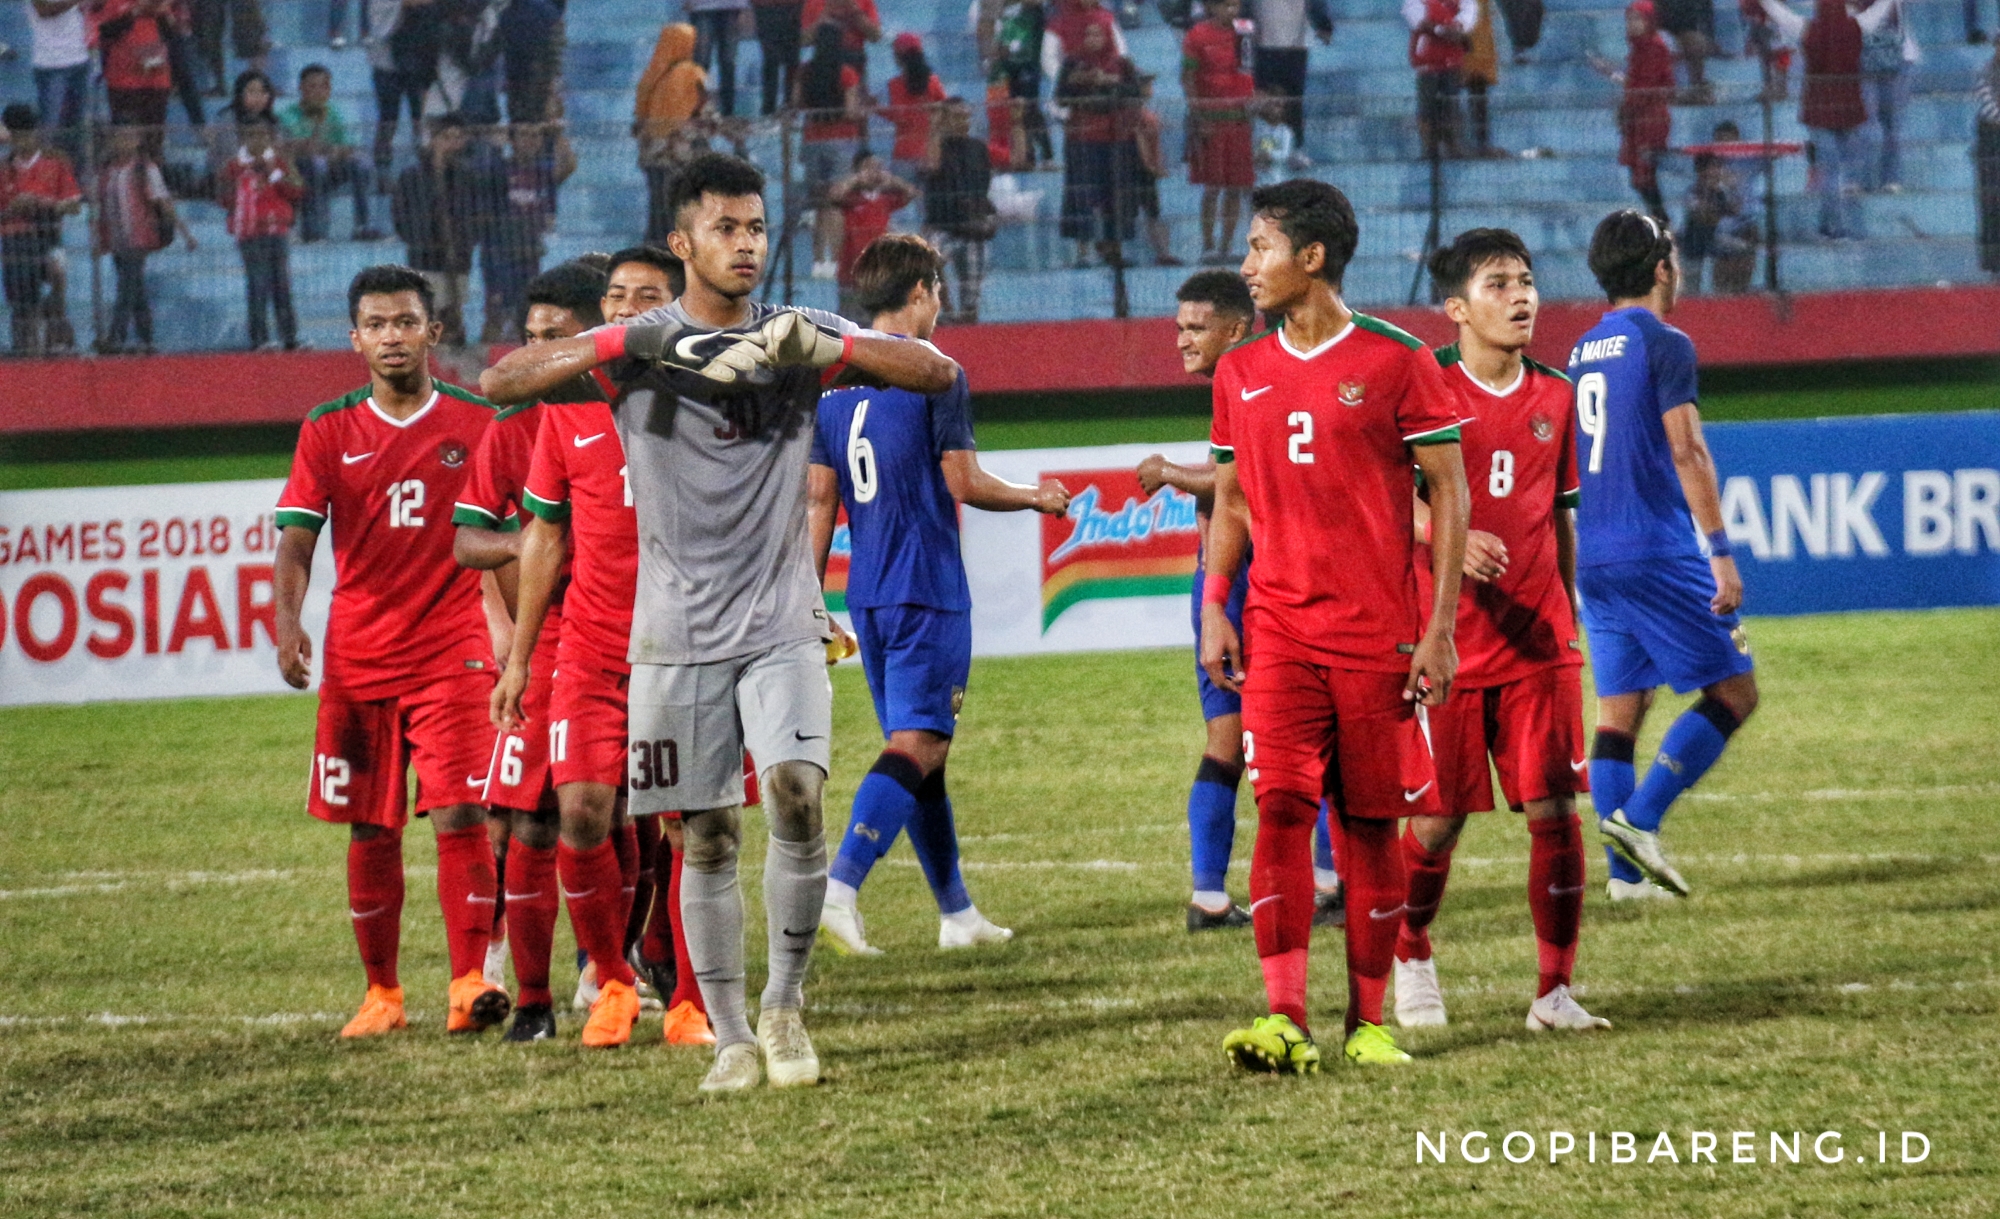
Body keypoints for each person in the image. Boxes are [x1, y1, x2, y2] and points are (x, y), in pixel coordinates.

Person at [477, 151, 960, 1091]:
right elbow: (503, 380)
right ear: (683, 241)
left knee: (794, 791)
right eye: (726, 228)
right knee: (702, 834)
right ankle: (731, 1034)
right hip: (670, 634)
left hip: (782, 616)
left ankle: (784, 1008)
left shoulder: (794, 330)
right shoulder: (641, 345)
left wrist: (837, 348)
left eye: (757, 227)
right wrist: (621, 346)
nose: (746, 244)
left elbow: (935, 369)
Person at [1205, 178, 1470, 1074]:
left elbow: (1450, 492)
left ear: (1311, 258)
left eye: (1260, 247)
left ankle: (1367, 1022)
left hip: (1380, 635)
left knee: (1366, 826)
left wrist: (1438, 628)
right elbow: (1232, 502)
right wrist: (1215, 605)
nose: (1246, 266)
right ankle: (1283, 1016)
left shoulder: (1400, 361)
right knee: (1279, 804)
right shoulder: (1240, 370)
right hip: (1278, 626)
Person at [808, 234, 1068, 957]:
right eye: (939, 292)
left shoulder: (834, 382)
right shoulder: (936, 372)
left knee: (923, 754)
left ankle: (957, 912)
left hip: (871, 593)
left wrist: (809, 592)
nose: (940, 306)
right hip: (927, 587)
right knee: (919, 742)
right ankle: (840, 885)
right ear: (920, 292)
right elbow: (966, 483)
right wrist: (1038, 496)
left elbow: (818, 501)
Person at [489, 247, 721, 1048]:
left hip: (687, 647)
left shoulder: (717, 393)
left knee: (693, 826)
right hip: (589, 649)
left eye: (644, 296)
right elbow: (544, 538)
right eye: (615, 297)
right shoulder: (569, 402)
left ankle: (691, 999)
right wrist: (520, 659)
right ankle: (612, 983)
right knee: (582, 812)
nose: (625, 309)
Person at [272, 264, 511, 1040]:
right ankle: (382, 992)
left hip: (453, 650)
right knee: (369, 827)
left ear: (432, 332)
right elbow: (297, 541)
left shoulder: (480, 421)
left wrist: (517, 633)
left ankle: (470, 981)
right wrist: (287, 621)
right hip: (360, 656)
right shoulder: (326, 428)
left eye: (405, 322)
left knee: (462, 809)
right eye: (375, 324)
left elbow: (513, 538)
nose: (391, 336)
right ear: (355, 338)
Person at [1390, 228, 1608, 1034]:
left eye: (1526, 281)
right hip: (1445, 639)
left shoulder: (1555, 395)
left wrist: (1574, 613)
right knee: (1440, 818)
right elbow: (1387, 495)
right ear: (1455, 308)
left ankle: (1554, 990)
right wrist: (1444, 527)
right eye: (1497, 284)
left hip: (1539, 639)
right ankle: (1411, 948)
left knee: (1555, 806)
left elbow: (1560, 517)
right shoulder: (1422, 389)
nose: (1520, 297)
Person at [1569, 210, 1759, 900]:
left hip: (1597, 553)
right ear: (1659, 268)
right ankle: (1641, 819)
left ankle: (1626, 881)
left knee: (1618, 712)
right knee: (1736, 690)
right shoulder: (1664, 340)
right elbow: (1688, 448)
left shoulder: (1583, 348)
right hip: (1654, 545)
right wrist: (1721, 553)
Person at [449, 261, 602, 1042]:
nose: (536, 352)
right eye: (531, 336)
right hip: (547, 651)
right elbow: (466, 537)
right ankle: (533, 993)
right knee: (523, 817)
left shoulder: (628, 416)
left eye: (555, 337)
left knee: (627, 819)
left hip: (622, 641)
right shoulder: (510, 431)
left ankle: (619, 965)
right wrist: (526, 544)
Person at [1134, 271, 1255, 930]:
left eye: (1195, 326)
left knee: (1232, 740)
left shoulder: (1248, 381)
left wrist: (1172, 475)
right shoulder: (1240, 385)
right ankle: (1318, 884)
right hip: (1238, 585)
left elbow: (1239, 480)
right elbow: (1239, 485)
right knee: (1252, 739)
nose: (1182, 339)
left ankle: (1211, 894)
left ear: (1235, 328)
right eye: (1179, 326)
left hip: (1229, 583)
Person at [1759, 0, 1866, 239]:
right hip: (1846, 108)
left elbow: (1777, 11)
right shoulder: (1854, 27)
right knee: (1841, 172)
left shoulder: (1806, 29)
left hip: (1821, 110)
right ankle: (1835, 226)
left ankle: (1833, 226)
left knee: (1833, 171)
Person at [93, 123, 194, 354]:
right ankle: (146, 337)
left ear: (137, 140)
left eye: (129, 137)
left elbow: (162, 200)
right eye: (119, 137)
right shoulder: (106, 171)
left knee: (126, 288)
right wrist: (99, 237)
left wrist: (184, 231)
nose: (123, 142)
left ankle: (115, 337)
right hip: (117, 239)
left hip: (138, 237)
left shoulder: (144, 168)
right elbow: (98, 206)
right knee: (135, 288)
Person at [475, 121, 576, 344]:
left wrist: (558, 136)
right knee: (496, 308)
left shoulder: (542, 172)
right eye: (524, 135)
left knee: (526, 308)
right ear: (513, 141)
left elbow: (568, 166)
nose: (530, 141)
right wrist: (495, 144)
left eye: (535, 136)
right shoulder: (500, 169)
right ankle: (489, 357)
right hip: (498, 248)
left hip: (528, 250)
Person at [0, 103, 82, 356]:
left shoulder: (55, 163)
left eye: (25, 134)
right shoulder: (4, 169)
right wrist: (14, 209)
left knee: (57, 272)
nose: (20, 141)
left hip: (47, 237)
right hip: (13, 240)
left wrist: (45, 204)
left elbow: (74, 205)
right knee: (21, 300)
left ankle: (55, 334)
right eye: (15, 135)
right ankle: (26, 347)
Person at [1055, 19, 1136, 268]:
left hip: (1115, 138)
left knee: (1116, 194)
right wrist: (1081, 81)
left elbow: (1134, 94)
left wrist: (1112, 83)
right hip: (1082, 138)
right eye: (1088, 34)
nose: (1093, 40)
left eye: (1098, 34)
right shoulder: (1071, 64)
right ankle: (1082, 252)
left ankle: (1114, 249)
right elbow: (1060, 97)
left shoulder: (1122, 65)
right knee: (1081, 194)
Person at [392, 113, 478, 346]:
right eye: (446, 137)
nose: (452, 143)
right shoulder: (413, 176)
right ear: (433, 139)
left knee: (453, 311)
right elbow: (402, 214)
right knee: (430, 312)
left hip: (459, 256)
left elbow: (475, 213)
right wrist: (419, 238)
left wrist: (466, 240)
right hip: (425, 257)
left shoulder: (467, 175)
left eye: (457, 137)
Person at [1183, 0, 1255, 263]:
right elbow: (1188, 79)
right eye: (1225, 5)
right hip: (1211, 122)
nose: (1232, 11)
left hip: (1239, 121)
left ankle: (1226, 246)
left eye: (1235, 5)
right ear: (1211, 7)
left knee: (1237, 186)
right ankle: (1208, 245)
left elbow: (1248, 70)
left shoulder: (1244, 32)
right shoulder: (1197, 36)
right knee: (1213, 186)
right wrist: (1198, 115)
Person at [223, 114, 303, 350]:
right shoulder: (234, 167)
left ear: (270, 138)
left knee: (281, 285)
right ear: (242, 138)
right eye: (251, 135)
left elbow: (296, 190)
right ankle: (260, 338)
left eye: (262, 135)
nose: (257, 140)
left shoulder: (278, 162)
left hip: (276, 230)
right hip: (250, 233)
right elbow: (225, 198)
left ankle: (290, 337)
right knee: (257, 285)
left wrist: (274, 173)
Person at [1590, 1, 1674, 223]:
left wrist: (1627, 107)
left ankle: (1662, 223)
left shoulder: (1656, 47)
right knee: (1640, 178)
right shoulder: (1638, 49)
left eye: (1637, 19)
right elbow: (1636, 84)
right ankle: (1660, 222)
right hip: (1637, 118)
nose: (1632, 24)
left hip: (1650, 119)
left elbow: (1649, 87)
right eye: (1629, 19)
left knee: (1644, 176)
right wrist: (1612, 74)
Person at [797, 20, 866, 280]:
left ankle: (817, 260)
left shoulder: (805, 71)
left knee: (818, 201)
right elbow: (850, 110)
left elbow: (797, 102)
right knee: (837, 201)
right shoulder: (846, 73)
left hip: (813, 137)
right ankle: (835, 260)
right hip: (841, 139)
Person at [283, 63, 383, 243]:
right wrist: (322, 145)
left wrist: (326, 150)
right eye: (312, 86)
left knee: (362, 164)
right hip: (300, 173)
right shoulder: (288, 115)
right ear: (300, 88)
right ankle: (315, 231)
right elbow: (298, 149)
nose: (318, 91)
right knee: (316, 163)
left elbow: (349, 147)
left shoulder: (335, 113)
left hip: (332, 167)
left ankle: (363, 225)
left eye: (324, 86)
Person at [922, 96, 997, 322]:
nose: (963, 122)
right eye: (956, 117)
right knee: (929, 262)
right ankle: (946, 310)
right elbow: (931, 167)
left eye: (965, 117)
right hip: (943, 223)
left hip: (972, 226)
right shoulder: (938, 146)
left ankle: (964, 316)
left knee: (971, 294)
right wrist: (935, 128)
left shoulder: (978, 148)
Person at [635, 22, 710, 246]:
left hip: (653, 155)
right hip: (681, 154)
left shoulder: (650, 76)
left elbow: (639, 116)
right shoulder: (694, 74)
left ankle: (654, 248)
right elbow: (706, 112)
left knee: (657, 206)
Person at [828, 151, 916, 320]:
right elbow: (834, 195)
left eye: (877, 167)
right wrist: (856, 180)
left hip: (879, 268)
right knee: (850, 318)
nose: (874, 172)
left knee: (877, 317)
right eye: (868, 168)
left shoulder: (885, 198)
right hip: (852, 268)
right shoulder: (852, 197)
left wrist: (891, 180)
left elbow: (911, 193)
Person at [368, 0, 443, 182]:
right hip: (386, 66)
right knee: (388, 121)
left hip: (418, 64)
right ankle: (382, 174)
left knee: (420, 119)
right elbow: (381, 26)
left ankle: (427, 171)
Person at [1251, 0, 1332, 169]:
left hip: (1296, 44)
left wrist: (1323, 24)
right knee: (1267, 103)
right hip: (1263, 44)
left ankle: (1294, 149)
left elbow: (1316, 4)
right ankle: (1266, 150)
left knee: (1294, 100)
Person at [92, 0, 176, 157]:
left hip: (156, 79)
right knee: (125, 141)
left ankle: (151, 174)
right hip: (123, 80)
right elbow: (105, 31)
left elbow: (170, 34)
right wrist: (134, 13)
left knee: (153, 139)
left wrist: (162, 14)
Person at [1680, 122, 1757, 294]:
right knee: (1691, 286)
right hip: (1696, 243)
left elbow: (1736, 210)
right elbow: (1703, 215)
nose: (1716, 172)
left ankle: (1730, 292)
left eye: (1718, 167)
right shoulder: (1694, 192)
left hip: (1716, 239)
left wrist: (1731, 189)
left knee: (1742, 249)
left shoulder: (1722, 190)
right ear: (1701, 171)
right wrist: (1714, 199)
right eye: (1712, 168)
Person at [1856, 0, 1916, 194]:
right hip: (1862, 61)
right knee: (1865, 121)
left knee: (1893, 124)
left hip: (1897, 60)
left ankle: (1892, 178)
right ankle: (1861, 179)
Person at [882, 32, 946, 201]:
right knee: (929, 204)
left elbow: (899, 117)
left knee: (899, 202)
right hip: (930, 152)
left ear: (898, 57)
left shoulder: (894, 85)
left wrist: (876, 109)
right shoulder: (933, 81)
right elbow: (945, 108)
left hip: (904, 152)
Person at [1405, 0, 1474, 159]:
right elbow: (1415, 17)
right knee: (1427, 105)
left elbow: (1469, 13)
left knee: (1451, 103)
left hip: (1453, 58)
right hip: (1427, 59)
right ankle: (1429, 147)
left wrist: (1457, 28)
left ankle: (1453, 145)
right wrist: (1441, 30)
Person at [990, 0, 1052, 167]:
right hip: (1012, 68)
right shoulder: (1010, 15)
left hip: (1029, 69)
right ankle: (1027, 155)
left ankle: (1046, 155)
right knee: (1017, 112)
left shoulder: (1037, 15)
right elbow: (1003, 40)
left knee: (1031, 109)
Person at [29, 0, 91, 167]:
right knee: (51, 127)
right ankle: (45, 174)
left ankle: (73, 182)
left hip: (79, 58)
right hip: (51, 63)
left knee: (76, 129)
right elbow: (44, 10)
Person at [686, 0, 747, 118]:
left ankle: (728, 112)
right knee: (701, 62)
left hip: (731, 7)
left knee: (728, 61)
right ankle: (697, 109)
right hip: (700, 7)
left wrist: (745, 6)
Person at [752, 0, 804, 116]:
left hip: (792, 6)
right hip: (764, 7)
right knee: (771, 59)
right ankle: (768, 109)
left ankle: (790, 105)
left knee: (792, 60)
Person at [1655, 0, 1714, 103]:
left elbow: (1706, 14)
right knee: (1658, 41)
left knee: (1697, 43)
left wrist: (1710, 38)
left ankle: (1697, 87)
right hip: (1659, 27)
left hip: (1686, 29)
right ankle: (1657, 88)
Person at [1980, 48, 2000, 276]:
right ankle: (1994, 261)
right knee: (1993, 204)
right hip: (1992, 146)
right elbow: (1989, 110)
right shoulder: (1986, 72)